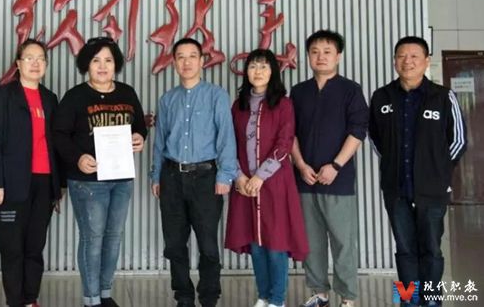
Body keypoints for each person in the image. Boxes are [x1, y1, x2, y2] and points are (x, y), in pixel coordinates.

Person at [369, 36, 467, 306]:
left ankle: (432, 300)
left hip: (432, 190)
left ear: (426, 61)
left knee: (431, 249)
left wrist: (438, 173)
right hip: (396, 189)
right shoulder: (381, 97)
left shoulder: (443, 96)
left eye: (414, 56)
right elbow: (376, 139)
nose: (407, 61)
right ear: (394, 62)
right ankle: (408, 300)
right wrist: (392, 165)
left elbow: (458, 140)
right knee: (404, 249)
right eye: (402, 56)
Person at [53, 36, 147, 307]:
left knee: (113, 238)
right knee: (92, 239)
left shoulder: (127, 93)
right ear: (87, 65)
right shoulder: (76, 96)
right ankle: (91, 299)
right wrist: (78, 158)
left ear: (116, 64)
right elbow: (59, 134)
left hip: (121, 179)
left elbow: (140, 126)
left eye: (108, 60)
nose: (103, 66)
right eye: (96, 61)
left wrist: (140, 138)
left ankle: (105, 294)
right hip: (87, 181)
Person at [150, 38, 238, 307]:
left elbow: (226, 137)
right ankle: (184, 297)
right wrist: (156, 175)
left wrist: (225, 175)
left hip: (206, 178)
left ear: (201, 61)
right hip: (172, 177)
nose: (186, 62)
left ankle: (209, 297)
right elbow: (160, 141)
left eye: (192, 56)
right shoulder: (168, 99)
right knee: (174, 244)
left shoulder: (216, 96)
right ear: (174, 63)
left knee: (208, 244)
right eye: (180, 57)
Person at [225, 49, 309, 307]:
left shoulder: (283, 104)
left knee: (276, 242)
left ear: (273, 71)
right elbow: (229, 144)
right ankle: (263, 296)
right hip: (244, 184)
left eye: (263, 66)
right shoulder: (238, 106)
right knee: (255, 243)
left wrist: (260, 176)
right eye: (253, 66)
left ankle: (277, 299)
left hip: (275, 183)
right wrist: (239, 176)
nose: (258, 71)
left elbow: (284, 143)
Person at [290, 30, 368, 307]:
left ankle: (347, 296)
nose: (320, 57)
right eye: (315, 52)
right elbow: (289, 133)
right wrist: (300, 164)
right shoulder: (299, 92)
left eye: (327, 51)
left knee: (343, 241)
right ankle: (319, 292)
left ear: (338, 56)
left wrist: (335, 165)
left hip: (338, 180)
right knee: (311, 242)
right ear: (308, 57)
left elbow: (358, 131)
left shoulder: (350, 90)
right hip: (305, 179)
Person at [0, 39, 63, 307]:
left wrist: (58, 186)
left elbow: (55, 144)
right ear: (18, 64)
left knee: (34, 246)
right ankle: (15, 301)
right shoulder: (3, 95)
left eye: (40, 58)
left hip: (44, 182)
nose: (35, 63)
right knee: (12, 248)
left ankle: (30, 299)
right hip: (11, 185)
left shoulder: (50, 98)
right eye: (29, 58)